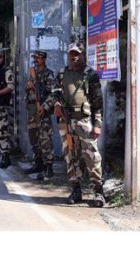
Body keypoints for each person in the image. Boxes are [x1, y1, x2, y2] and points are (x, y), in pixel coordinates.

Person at [51, 42, 105, 207]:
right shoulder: (62, 73)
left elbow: (98, 102)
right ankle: (76, 190)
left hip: (84, 121)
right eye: (71, 54)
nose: (74, 57)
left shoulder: (90, 74)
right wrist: (56, 104)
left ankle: (98, 192)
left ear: (83, 55)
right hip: (66, 121)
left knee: (91, 156)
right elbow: (55, 93)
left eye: (77, 54)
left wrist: (97, 124)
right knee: (70, 155)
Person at [23, 50, 55, 179]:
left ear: (44, 59)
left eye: (38, 58)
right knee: (33, 139)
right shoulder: (33, 73)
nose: (36, 60)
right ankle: (38, 163)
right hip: (32, 111)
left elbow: (52, 94)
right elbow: (30, 90)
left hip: (43, 111)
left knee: (45, 140)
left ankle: (49, 166)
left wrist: (45, 106)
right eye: (34, 58)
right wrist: (28, 85)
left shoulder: (49, 75)